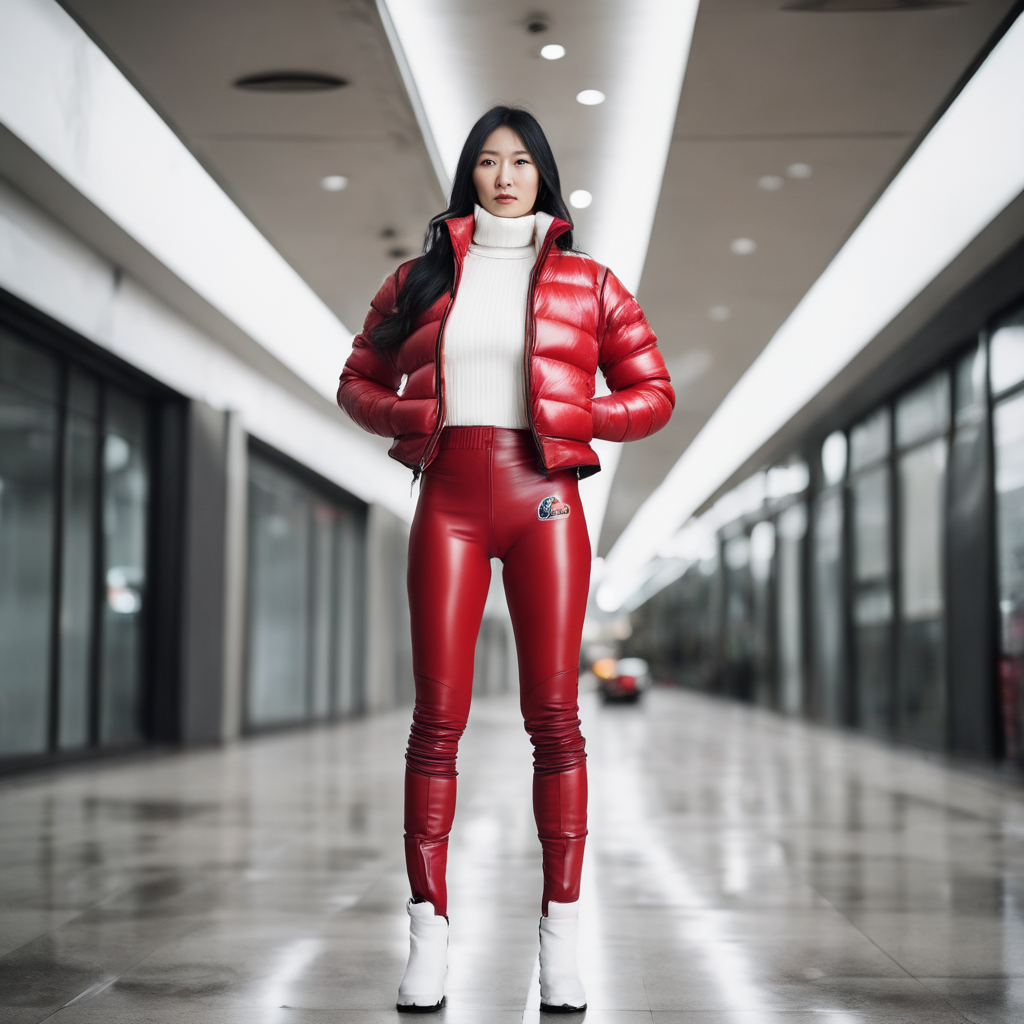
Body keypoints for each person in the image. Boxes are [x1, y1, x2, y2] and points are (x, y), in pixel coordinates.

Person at [337, 105, 674, 1014]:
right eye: (488, 161)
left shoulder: (589, 283)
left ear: (543, 176)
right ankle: (427, 939)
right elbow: (356, 381)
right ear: (469, 177)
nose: (505, 175)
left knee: (555, 720)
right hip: (447, 494)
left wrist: (578, 419)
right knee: (435, 722)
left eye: (521, 161)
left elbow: (654, 393)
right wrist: (411, 417)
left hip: (546, 498)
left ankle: (560, 944)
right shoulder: (418, 279)